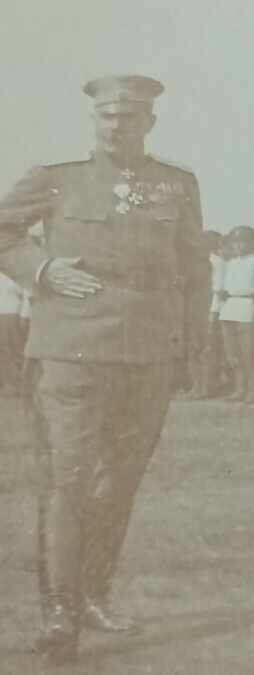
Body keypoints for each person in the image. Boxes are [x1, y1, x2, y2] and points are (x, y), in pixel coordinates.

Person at [0, 75, 207, 664]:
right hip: (72, 347)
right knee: (68, 478)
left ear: (150, 123)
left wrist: (190, 343)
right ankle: (59, 609)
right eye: (108, 117)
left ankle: (94, 593)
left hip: (147, 352)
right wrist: (41, 270)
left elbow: (194, 267)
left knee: (119, 480)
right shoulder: (57, 177)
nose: (119, 126)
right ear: (94, 120)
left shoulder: (177, 184)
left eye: (131, 117)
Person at [215, 225, 254, 403]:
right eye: (235, 242)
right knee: (233, 354)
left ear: (251, 244)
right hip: (229, 308)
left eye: (243, 242)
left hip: (247, 307)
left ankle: (253, 391)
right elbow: (222, 288)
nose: (239, 246)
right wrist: (221, 306)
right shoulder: (230, 263)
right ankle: (239, 388)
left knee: (249, 353)